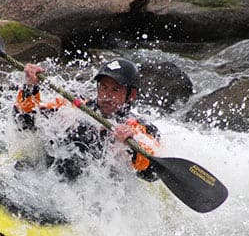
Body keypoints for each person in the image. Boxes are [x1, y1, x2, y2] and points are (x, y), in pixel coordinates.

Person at [13, 58, 160, 182]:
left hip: (94, 197)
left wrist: (131, 148)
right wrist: (30, 87)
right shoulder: (72, 108)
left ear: (132, 94)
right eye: (103, 88)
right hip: (47, 180)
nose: (107, 96)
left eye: (115, 90)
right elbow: (25, 121)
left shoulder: (141, 129)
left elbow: (151, 174)